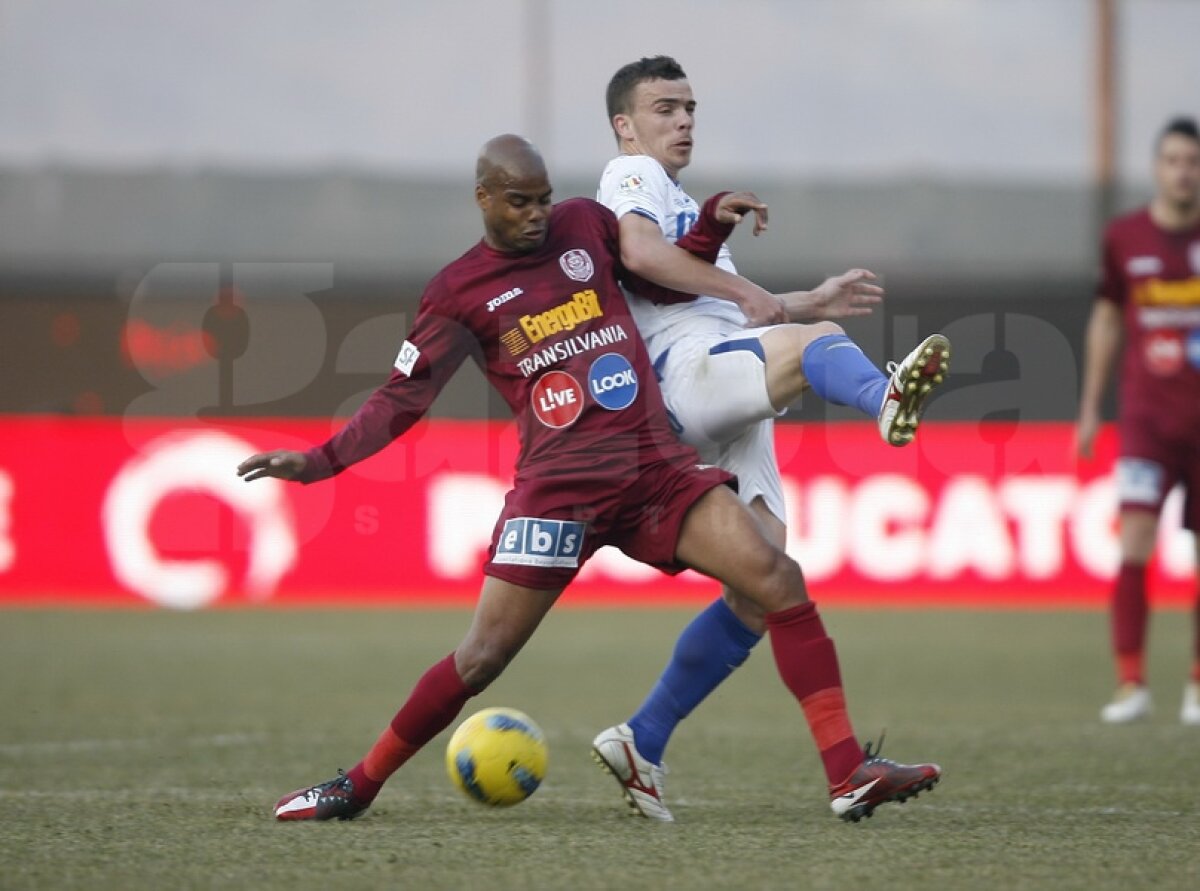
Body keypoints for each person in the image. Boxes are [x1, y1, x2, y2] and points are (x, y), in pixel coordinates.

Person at [242, 134, 940, 825]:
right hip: (559, 490)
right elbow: (401, 400)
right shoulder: (457, 292)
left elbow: (663, 280)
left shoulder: (583, 224)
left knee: (777, 578)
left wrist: (705, 223)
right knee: (482, 657)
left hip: (650, 470)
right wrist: (318, 461)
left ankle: (848, 772)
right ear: (483, 198)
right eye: (519, 202)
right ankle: (357, 785)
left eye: (543, 198)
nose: (537, 213)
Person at [589, 55, 950, 821]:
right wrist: (755, 294)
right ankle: (885, 398)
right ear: (626, 124)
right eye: (664, 108)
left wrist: (795, 297)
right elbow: (638, 255)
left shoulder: (679, 200)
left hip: (720, 373)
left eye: (689, 107)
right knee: (816, 342)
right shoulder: (630, 175)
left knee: (765, 586)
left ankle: (645, 739)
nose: (683, 119)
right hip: (684, 374)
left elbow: (723, 308)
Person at [1076, 116, 1200, 726]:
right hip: (1147, 423)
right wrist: (1090, 408)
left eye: (1193, 162)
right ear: (1158, 166)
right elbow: (1105, 320)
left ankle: (1198, 688)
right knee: (1134, 544)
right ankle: (1132, 684)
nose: (1183, 172)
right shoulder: (1125, 237)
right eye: (1174, 160)